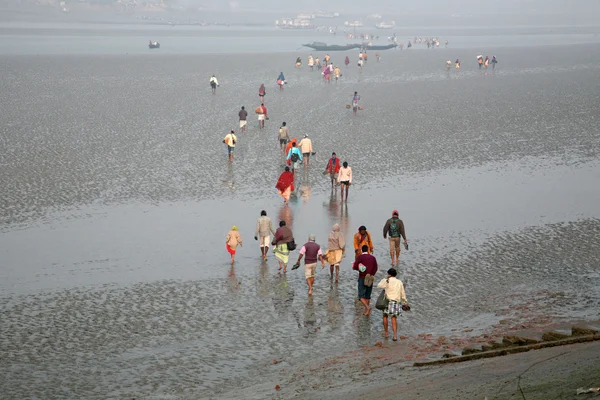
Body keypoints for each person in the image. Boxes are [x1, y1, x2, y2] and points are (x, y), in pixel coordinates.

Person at [377, 268, 408, 341]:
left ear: (389, 274)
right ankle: (394, 336)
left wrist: (385, 279)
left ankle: (386, 333)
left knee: (385, 316)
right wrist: (405, 302)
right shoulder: (399, 282)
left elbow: (379, 285)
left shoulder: (387, 281)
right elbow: (403, 294)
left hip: (388, 301)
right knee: (394, 318)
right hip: (396, 302)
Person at [352, 244, 378, 315]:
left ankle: (367, 308)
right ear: (368, 250)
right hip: (370, 277)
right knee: (368, 295)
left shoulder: (360, 257)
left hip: (362, 277)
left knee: (361, 296)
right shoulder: (373, 258)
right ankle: (367, 311)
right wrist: (372, 274)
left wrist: (359, 269)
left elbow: (355, 266)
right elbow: (375, 268)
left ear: (361, 250)